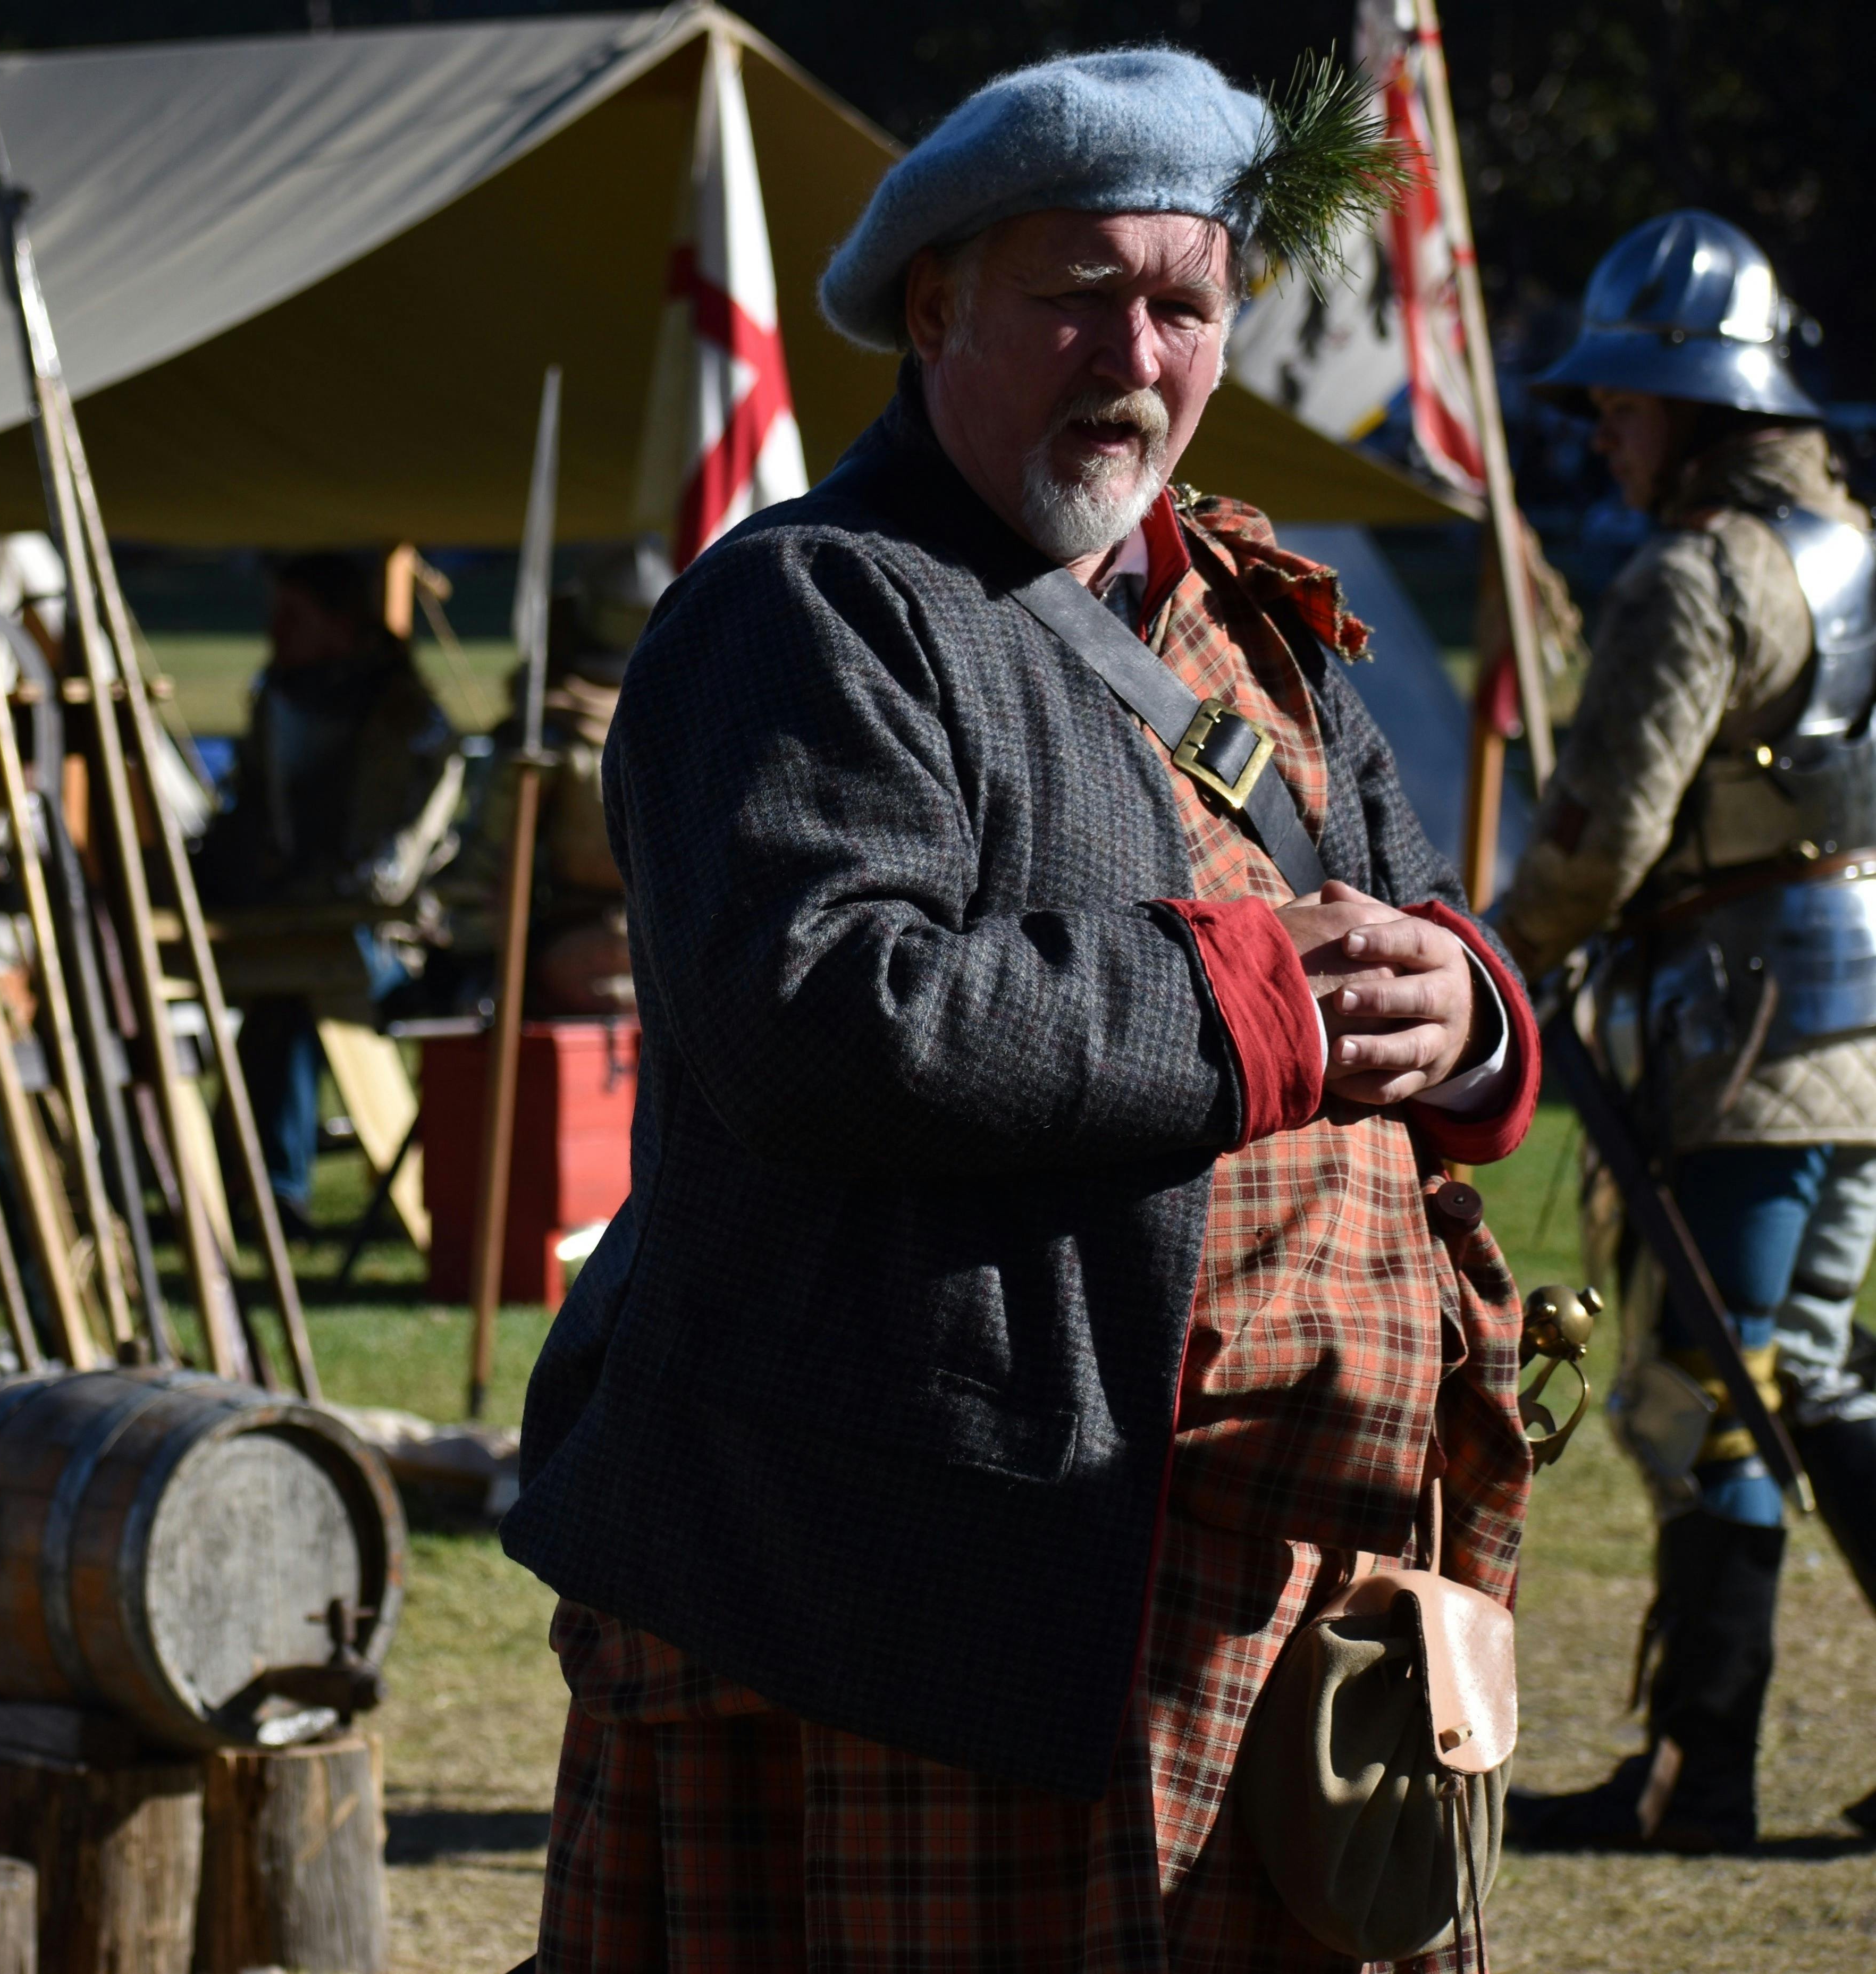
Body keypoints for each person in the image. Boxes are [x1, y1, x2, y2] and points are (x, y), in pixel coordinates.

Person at [496, 49, 1542, 1970]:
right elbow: (818, 1012)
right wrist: (1254, 1001)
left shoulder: (1253, 614)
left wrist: (1459, 1013)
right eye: (1076, 290)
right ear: (935, 304)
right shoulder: (812, 611)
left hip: (1277, 1569)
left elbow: (1416, 924)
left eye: (1181, 303)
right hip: (939, 1582)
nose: (1130, 351)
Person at [1491, 211, 1876, 1853]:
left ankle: (1694, 1776)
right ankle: (1689, 1764)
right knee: (1812, 1386)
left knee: (1704, 1396)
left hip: (1738, 1031)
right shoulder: (1851, 544)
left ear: (1696, 410)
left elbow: (1598, 836)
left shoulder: (1695, 573)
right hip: (1840, 1018)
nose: (1598, 430)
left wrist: (1493, 964)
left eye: (1621, 403)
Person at [206, 550, 462, 1230]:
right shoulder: (281, 700)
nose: (278, 632)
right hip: (294, 925)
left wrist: (323, 896)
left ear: (341, 625)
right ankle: (237, 1183)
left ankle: (273, 1193)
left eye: (295, 616)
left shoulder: (405, 718)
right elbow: (253, 816)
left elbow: (392, 866)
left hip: (393, 942)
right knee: (273, 996)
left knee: (289, 999)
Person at [459, 537, 668, 1016]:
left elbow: (489, 857)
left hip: (589, 955)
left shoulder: (551, 735)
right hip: (642, 953)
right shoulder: (680, 727)